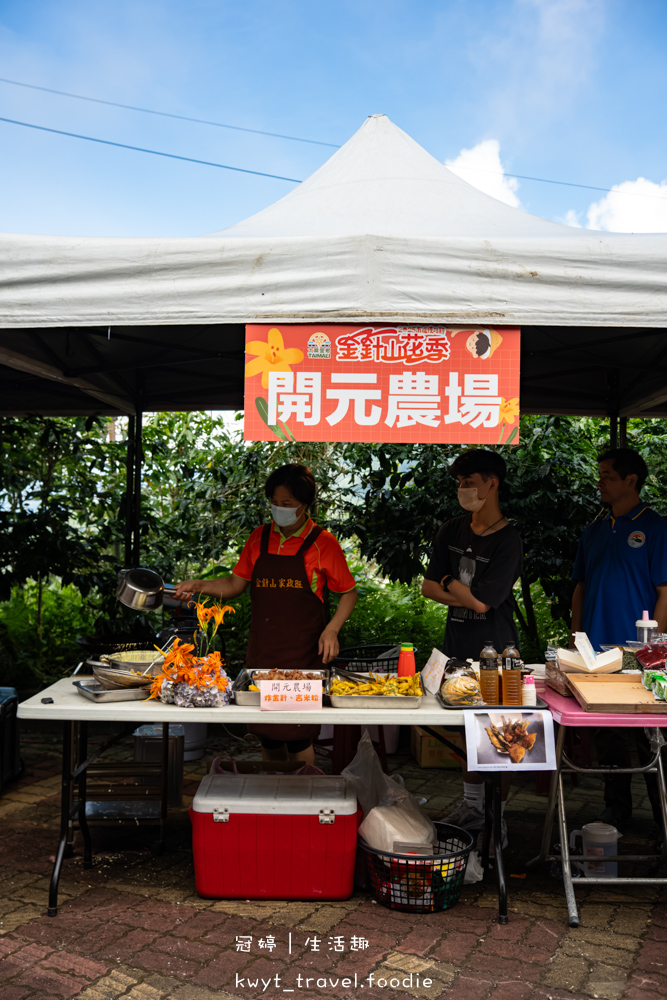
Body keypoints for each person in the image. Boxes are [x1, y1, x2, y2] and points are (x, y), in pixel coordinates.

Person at [174, 463, 358, 764]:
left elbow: (348, 592)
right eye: (274, 502)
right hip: (264, 651)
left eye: (286, 504)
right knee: (268, 734)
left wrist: (332, 629)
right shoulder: (259, 537)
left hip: (303, 654)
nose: (278, 509)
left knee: (298, 735)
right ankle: (275, 794)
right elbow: (235, 584)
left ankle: (302, 801)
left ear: (304, 505)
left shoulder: (323, 543)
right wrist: (198, 585)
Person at [422, 450, 523, 848]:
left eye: (469, 482)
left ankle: (496, 817)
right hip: (455, 651)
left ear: (492, 483)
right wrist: (459, 590)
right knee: (465, 735)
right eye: (460, 483)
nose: (463, 490)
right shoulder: (452, 529)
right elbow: (429, 587)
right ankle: (471, 807)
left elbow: (485, 604)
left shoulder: (509, 539)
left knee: (499, 736)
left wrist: (451, 584)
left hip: (496, 654)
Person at [571, 447, 667, 832]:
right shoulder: (593, 531)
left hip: (638, 651)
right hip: (596, 651)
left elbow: (665, 592)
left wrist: (654, 649)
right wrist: (577, 637)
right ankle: (617, 808)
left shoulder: (656, 528)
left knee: (650, 736)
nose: (601, 482)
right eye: (600, 475)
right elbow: (579, 588)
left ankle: (662, 816)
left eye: (608, 476)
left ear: (631, 480)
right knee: (608, 734)